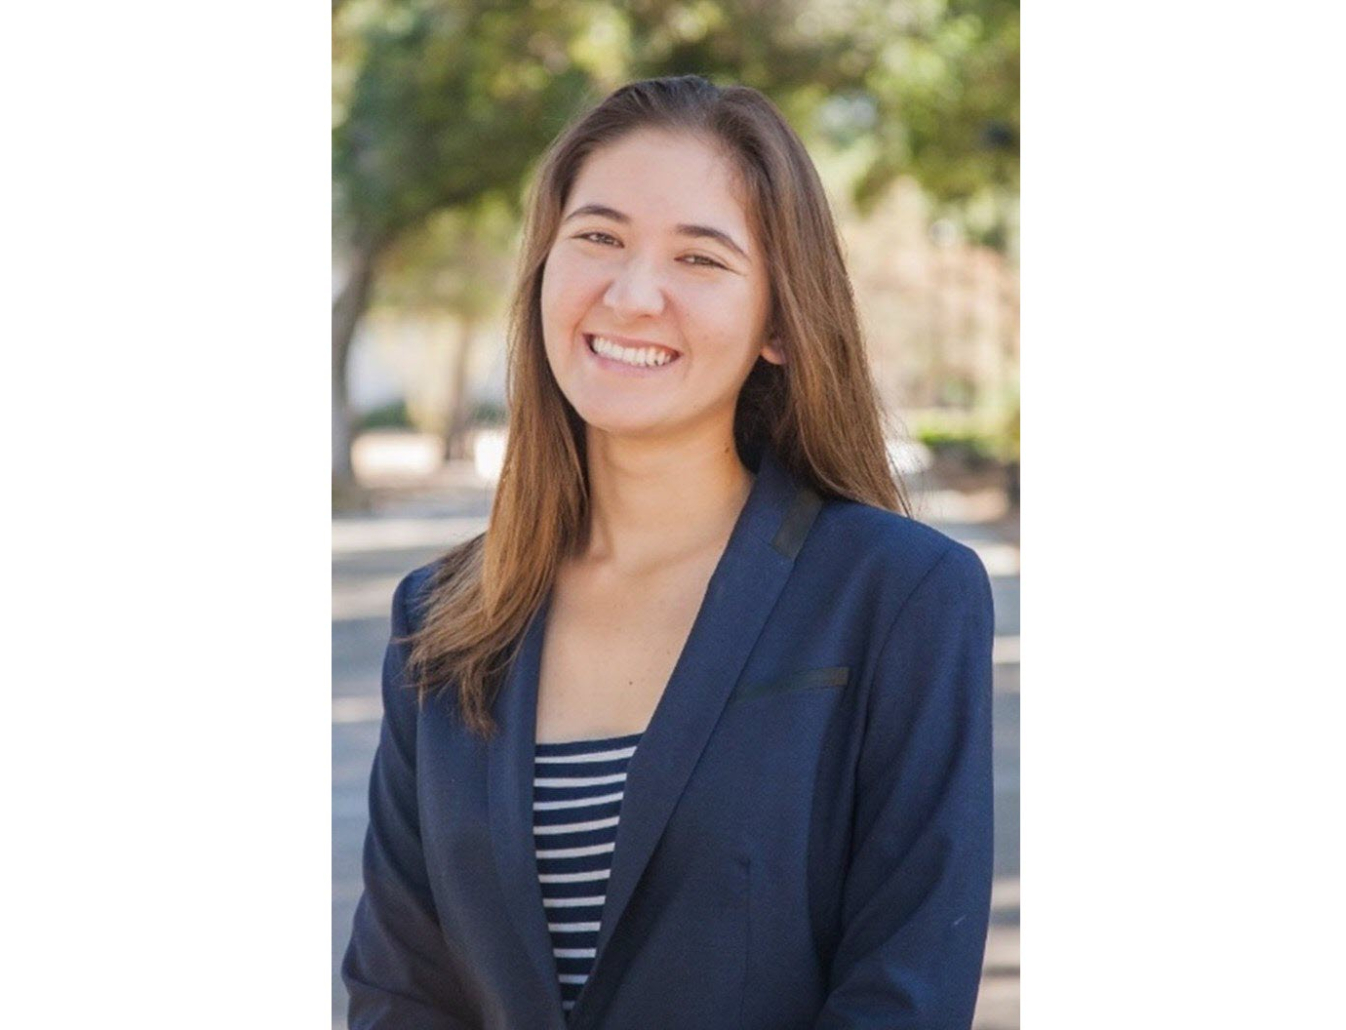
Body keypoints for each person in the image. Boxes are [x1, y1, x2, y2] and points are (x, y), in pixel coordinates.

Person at [342, 75, 995, 1030]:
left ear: (778, 321)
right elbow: (400, 994)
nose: (633, 292)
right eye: (599, 238)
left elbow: (905, 993)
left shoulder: (899, 595)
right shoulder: (440, 619)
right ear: (543, 271)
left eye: (700, 257)